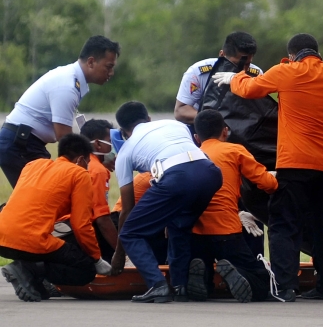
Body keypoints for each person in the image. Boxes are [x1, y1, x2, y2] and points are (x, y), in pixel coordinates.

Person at [214, 33, 323, 302]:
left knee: (285, 224)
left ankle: (286, 287)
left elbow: (250, 89)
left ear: (292, 54)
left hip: (295, 163)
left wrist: (232, 78)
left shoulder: (286, 72)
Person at [111, 101, 222, 303]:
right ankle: (180, 286)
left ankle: (157, 284)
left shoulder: (125, 151)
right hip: (210, 173)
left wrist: (119, 254)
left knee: (130, 232)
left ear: (124, 132)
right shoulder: (176, 125)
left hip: (177, 177)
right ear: (148, 119)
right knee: (179, 224)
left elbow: (127, 210)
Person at [0, 134, 112, 302]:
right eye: (87, 163)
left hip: (3, 236)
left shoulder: (33, 164)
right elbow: (81, 225)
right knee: (85, 268)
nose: (87, 167)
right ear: (80, 159)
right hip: (30, 241)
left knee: (52, 246)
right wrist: (96, 259)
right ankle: (29, 269)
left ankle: (35, 282)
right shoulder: (79, 174)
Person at [0, 35, 120, 188]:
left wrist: (100, 154)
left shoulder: (71, 79)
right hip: (19, 145)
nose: (111, 73)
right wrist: (96, 157)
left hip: (26, 144)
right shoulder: (67, 86)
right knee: (41, 199)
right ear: (91, 62)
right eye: (109, 66)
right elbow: (65, 139)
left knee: (43, 200)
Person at [188, 110, 277, 303]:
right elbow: (266, 183)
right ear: (225, 132)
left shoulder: (189, 155)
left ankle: (203, 279)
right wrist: (276, 178)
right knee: (260, 281)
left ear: (196, 137)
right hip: (226, 229)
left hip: (194, 230)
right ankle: (239, 272)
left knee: (202, 267)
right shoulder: (234, 150)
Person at [173, 32, 263, 127]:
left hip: (241, 130)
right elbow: (180, 111)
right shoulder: (198, 73)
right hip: (204, 129)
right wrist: (215, 121)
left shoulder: (256, 75)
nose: (242, 71)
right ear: (222, 55)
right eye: (236, 64)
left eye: (247, 64)